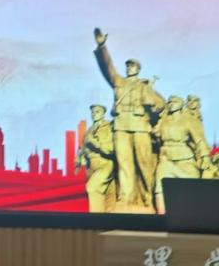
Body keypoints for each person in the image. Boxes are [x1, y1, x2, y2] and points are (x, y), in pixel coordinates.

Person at [93, 28, 165, 208]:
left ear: (138, 69)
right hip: (121, 126)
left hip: (140, 126)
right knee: (124, 164)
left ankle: (147, 196)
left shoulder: (145, 86)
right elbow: (107, 68)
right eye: (127, 65)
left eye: (132, 66)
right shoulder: (119, 82)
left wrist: (151, 106)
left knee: (144, 163)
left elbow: (160, 105)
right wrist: (102, 47)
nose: (129, 68)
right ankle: (125, 197)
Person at [153, 96, 211, 215]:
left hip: (184, 159)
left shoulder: (188, 120)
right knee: (159, 187)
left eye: (175, 102)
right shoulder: (164, 120)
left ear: (181, 104)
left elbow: (199, 140)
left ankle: (193, 215)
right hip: (166, 158)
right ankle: (161, 216)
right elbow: (156, 135)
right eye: (169, 102)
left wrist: (205, 156)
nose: (171, 104)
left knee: (192, 187)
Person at [78, 104, 116, 213]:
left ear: (103, 114)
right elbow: (84, 149)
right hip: (91, 167)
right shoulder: (89, 131)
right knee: (109, 200)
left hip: (105, 165)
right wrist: (80, 157)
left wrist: (95, 143)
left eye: (97, 112)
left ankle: (96, 219)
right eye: (93, 112)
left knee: (92, 188)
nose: (94, 114)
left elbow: (111, 149)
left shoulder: (109, 127)